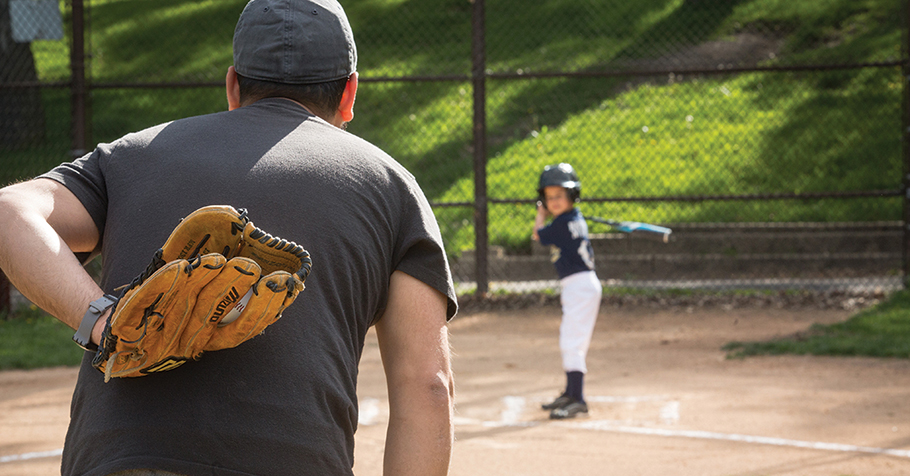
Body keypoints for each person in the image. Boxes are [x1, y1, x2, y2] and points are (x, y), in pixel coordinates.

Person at [0, 0, 457, 474]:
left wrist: (104, 322)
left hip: (118, 461)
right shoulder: (391, 187)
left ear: (233, 86)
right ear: (350, 94)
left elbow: (9, 212)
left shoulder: (130, 156)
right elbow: (428, 385)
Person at [531, 163, 603, 420]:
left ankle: (578, 399)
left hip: (580, 287)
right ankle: (571, 393)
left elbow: (538, 235)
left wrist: (541, 215)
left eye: (560, 196)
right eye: (549, 198)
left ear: (572, 196)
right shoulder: (572, 219)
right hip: (578, 286)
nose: (554, 201)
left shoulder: (561, 225)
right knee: (570, 340)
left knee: (571, 342)